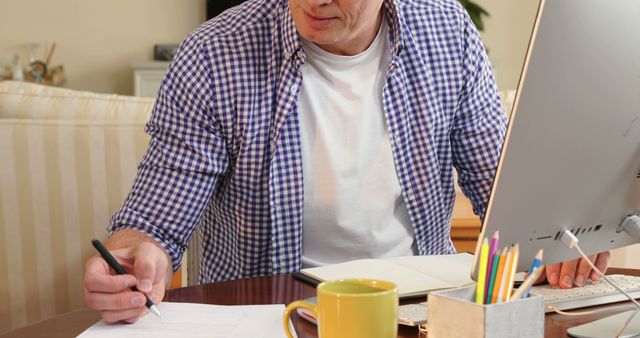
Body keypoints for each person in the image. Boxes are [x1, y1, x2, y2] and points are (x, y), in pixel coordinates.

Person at [84, 0, 609, 324]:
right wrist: (133, 257)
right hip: (271, 318)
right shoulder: (214, 55)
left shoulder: (449, 35)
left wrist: (558, 239)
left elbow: (504, 193)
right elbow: (151, 226)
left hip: (418, 312)